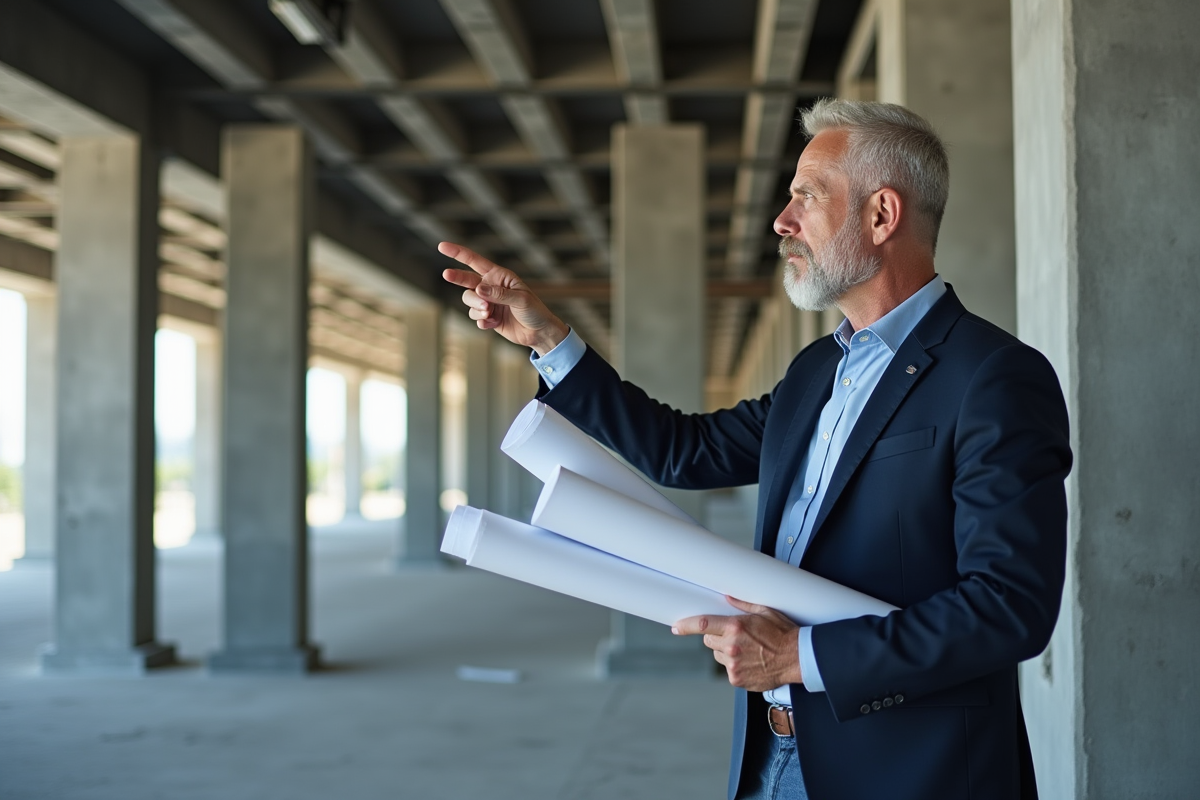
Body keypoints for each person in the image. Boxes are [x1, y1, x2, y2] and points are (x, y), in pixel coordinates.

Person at [439, 98, 1071, 800]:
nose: (782, 220)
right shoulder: (814, 372)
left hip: (910, 770)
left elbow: (1009, 606)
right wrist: (550, 341)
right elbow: (685, 451)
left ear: (882, 215)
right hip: (774, 758)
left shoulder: (993, 377)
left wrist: (798, 656)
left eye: (806, 195)